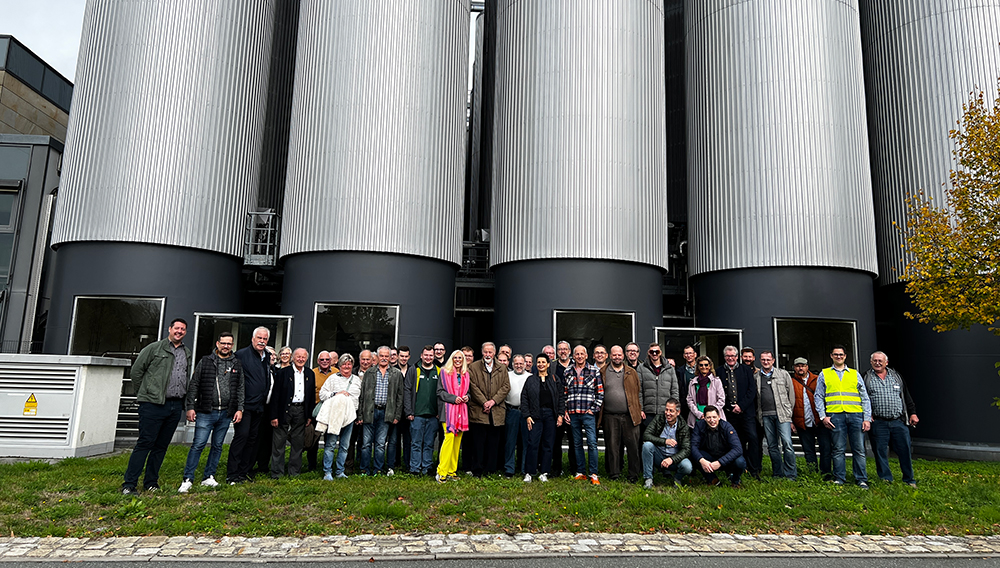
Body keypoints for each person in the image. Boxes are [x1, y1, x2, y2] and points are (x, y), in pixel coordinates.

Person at [121, 318, 191, 494]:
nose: (179, 331)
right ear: (170, 329)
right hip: (152, 405)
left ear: (185, 332)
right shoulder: (154, 348)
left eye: (183, 329)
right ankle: (129, 484)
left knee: (161, 446)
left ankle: (151, 482)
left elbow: (185, 376)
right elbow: (136, 371)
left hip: (175, 406)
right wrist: (145, 394)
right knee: (145, 443)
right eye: (176, 328)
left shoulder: (186, 352)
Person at [179, 332, 243, 492]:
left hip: (226, 413)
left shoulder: (236, 363)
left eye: (229, 343)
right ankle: (188, 478)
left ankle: (209, 476)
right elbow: (194, 384)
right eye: (223, 343)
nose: (226, 346)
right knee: (198, 444)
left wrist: (240, 409)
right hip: (206, 411)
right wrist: (190, 407)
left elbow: (241, 387)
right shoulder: (206, 361)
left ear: (232, 345)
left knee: (217, 446)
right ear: (217, 343)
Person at [814, 344, 872, 488]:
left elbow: (865, 397)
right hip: (835, 415)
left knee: (859, 449)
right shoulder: (824, 374)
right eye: (836, 354)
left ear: (845, 356)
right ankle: (839, 478)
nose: (838, 357)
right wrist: (823, 416)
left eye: (841, 354)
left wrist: (867, 418)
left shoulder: (854, 373)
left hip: (855, 414)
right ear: (831, 356)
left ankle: (861, 479)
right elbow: (818, 396)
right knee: (838, 449)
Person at [864, 351, 919, 487]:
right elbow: (862, 398)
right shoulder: (865, 377)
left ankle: (909, 479)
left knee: (904, 450)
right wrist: (866, 414)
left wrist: (912, 413)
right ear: (871, 362)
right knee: (880, 452)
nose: (877, 363)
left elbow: (906, 396)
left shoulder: (896, 376)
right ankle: (885, 479)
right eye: (875, 360)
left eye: (880, 361)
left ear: (886, 362)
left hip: (898, 421)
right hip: (878, 422)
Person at [229, 326, 274, 484]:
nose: (262, 341)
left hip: (259, 407)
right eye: (259, 338)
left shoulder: (266, 356)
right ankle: (232, 474)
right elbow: (233, 381)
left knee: (253, 440)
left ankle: (244, 471)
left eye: (265, 339)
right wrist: (237, 406)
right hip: (244, 406)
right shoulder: (241, 355)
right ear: (253, 339)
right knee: (242, 437)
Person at [358, 346, 405, 476]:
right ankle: (364, 469)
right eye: (382, 356)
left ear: (390, 358)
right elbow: (362, 395)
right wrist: (360, 414)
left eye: (386, 356)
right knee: (366, 443)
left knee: (380, 444)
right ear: (377, 357)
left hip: (386, 412)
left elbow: (400, 397)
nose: (384, 358)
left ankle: (378, 469)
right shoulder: (370, 373)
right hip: (369, 411)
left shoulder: (396, 374)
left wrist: (397, 415)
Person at [269, 348, 315, 478]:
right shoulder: (283, 373)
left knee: (298, 443)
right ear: (293, 358)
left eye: (303, 357)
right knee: (279, 442)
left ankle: (294, 472)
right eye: (298, 357)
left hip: (301, 411)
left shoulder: (310, 374)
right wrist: (274, 415)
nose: (300, 359)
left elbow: (310, 397)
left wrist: (309, 415)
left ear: (306, 359)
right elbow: (275, 395)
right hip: (284, 410)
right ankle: (277, 473)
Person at [600, 345, 643, 482]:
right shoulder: (603, 371)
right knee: (612, 446)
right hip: (610, 415)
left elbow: (638, 391)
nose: (617, 357)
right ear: (610, 356)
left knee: (633, 446)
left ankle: (633, 475)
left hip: (629, 415)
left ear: (623, 356)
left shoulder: (631, 372)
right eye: (614, 355)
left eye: (619, 355)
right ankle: (614, 473)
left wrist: (639, 409)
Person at [467, 342, 510, 477]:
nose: (488, 354)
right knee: (478, 443)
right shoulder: (473, 367)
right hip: (479, 411)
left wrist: (493, 401)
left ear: (495, 353)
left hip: (496, 411)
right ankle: (477, 470)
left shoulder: (502, 368)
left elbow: (505, 387)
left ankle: (491, 469)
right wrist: (484, 402)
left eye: (490, 352)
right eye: (485, 352)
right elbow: (472, 386)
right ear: (482, 352)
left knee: (494, 442)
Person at [717, 345, 760, 478]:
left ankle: (754, 470)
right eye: (728, 356)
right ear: (725, 357)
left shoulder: (746, 370)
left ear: (737, 357)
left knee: (753, 438)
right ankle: (734, 469)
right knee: (733, 441)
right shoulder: (719, 371)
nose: (730, 358)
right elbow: (719, 392)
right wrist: (730, 407)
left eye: (733, 356)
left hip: (747, 412)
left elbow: (752, 390)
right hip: (729, 414)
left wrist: (741, 406)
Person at [564, 345, 604, 485]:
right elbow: (565, 393)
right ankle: (580, 472)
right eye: (577, 354)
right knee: (577, 443)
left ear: (586, 356)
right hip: (573, 413)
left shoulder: (594, 371)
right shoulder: (568, 371)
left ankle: (593, 473)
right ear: (573, 356)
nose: (579, 356)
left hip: (588, 413)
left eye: (582, 354)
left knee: (592, 443)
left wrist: (593, 410)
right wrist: (565, 410)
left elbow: (600, 393)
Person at [520, 353, 563, 482]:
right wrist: (527, 415)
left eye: (543, 362)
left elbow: (561, 398)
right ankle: (529, 472)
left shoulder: (555, 379)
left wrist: (560, 415)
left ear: (548, 364)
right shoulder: (530, 380)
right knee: (532, 443)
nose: (541, 364)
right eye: (538, 362)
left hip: (550, 415)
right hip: (535, 416)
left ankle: (544, 472)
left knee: (548, 444)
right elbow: (524, 398)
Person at [317, 354, 361, 480]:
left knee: (345, 445)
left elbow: (360, 399)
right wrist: (336, 394)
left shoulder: (357, 380)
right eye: (343, 364)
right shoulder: (332, 379)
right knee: (330, 444)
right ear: (339, 366)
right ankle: (327, 472)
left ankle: (340, 471)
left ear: (352, 366)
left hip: (350, 418)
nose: (346, 366)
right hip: (334, 417)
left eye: (349, 364)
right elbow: (322, 394)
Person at [755, 350, 796, 479]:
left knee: (787, 443)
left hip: (782, 415)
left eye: (768, 359)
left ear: (773, 360)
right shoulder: (756, 377)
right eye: (763, 360)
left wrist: (789, 413)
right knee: (772, 446)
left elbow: (791, 395)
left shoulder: (783, 374)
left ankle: (790, 474)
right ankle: (777, 473)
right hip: (766, 416)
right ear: (760, 361)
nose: (766, 362)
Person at [790, 357, 831, 476]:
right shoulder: (791, 382)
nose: (800, 368)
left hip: (820, 420)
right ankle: (813, 473)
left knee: (826, 448)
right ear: (794, 368)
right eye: (798, 366)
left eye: (802, 365)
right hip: (802, 421)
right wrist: (791, 421)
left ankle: (826, 473)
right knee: (808, 450)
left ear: (807, 367)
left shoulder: (818, 379)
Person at [404, 345, 441, 476]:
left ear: (434, 356)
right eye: (426, 355)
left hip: (433, 415)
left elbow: (442, 393)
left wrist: (440, 412)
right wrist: (408, 411)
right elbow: (407, 390)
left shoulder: (439, 371)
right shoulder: (414, 370)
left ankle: (427, 467)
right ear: (421, 355)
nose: (428, 357)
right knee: (416, 443)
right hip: (416, 414)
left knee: (429, 443)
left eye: (431, 355)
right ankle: (414, 468)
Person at [641, 398, 692, 488]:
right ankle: (648, 478)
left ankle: (677, 479)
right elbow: (646, 435)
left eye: (671, 411)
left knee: (687, 466)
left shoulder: (683, 426)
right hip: (659, 456)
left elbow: (686, 449)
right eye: (666, 410)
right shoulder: (659, 418)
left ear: (678, 412)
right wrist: (664, 442)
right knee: (647, 445)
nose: (668, 413)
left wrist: (671, 459)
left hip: (674, 459)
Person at [691, 406, 745, 487]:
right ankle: (712, 479)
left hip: (726, 458)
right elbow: (693, 446)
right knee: (695, 455)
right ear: (704, 418)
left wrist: (720, 462)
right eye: (708, 417)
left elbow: (738, 449)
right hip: (709, 457)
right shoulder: (699, 426)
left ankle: (735, 481)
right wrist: (702, 461)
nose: (712, 420)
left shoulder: (727, 427)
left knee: (740, 462)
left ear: (719, 417)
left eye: (714, 417)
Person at [437, 350, 470, 482]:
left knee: (457, 441)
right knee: (449, 438)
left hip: (462, 411)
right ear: (452, 359)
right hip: (448, 410)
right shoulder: (444, 372)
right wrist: (452, 398)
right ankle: (442, 471)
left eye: (460, 358)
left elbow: (469, 391)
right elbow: (439, 392)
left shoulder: (466, 374)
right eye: (455, 358)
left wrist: (467, 397)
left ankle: (452, 471)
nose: (457, 360)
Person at [638, 342, 679, 434]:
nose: (655, 354)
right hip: (648, 412)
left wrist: (674, 409)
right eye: (652, 352)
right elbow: (639, 391)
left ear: (661, 352)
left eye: (657, 351)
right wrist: (640, 409)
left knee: (664, 438)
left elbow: (674, 390)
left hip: (665, 411)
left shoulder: (669, 369)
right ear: (648, 353)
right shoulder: (641, 368)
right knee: (647, 439)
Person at [306, 351, 336, 472]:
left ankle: (328, 465)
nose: (324, 362)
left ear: (331, 361)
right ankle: (312, 465)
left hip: (332, 410)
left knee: (331, 438)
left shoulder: (336, 373)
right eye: (322, 360)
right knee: (314, 439)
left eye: (327, 360)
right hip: (316, 410)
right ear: (318, 361)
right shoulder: (312, 373)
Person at [550, 340, 576, 477]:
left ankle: (574, 468)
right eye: (560, 349)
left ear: (570, 351)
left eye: (565, 349)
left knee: (574, 441)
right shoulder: (552, 366)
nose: (563, 351)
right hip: (556, 410)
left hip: (572, 410)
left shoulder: (576, 365)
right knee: (556, 441)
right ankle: (556, 468)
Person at [504, 354, 531, 477]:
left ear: (525, 364)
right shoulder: (507, 376)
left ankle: (525, 468)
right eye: (516, 363)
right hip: (512, 411)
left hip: (526, 413)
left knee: (526, 441)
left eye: (521, 363)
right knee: (510, 441)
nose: (519, 366)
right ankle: (509, 468)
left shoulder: (530, 377)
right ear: (512, 364)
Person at [388, 346, 413, 477]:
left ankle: (408, 465)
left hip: (408, 412)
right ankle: (393, 464)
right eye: (401, 356)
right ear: (397, 356)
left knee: (408, 440)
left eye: (406, 356)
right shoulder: (392, 371)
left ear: (409, 357)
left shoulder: (413, 370)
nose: (403, 359)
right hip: (395, 411)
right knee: (393, 440)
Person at [686, 356, 726, 426]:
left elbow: (721, 400)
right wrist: (698, 414)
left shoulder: (716, 381)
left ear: (710, 366)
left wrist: (711, 414)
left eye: (706, 365)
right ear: (698, 367)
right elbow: (689, 400)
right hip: (697, 416)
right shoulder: (693, 382)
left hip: (713, 418)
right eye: (701, 365)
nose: (704, 367)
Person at [678, 346, 698, 421]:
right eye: (686, 354)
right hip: (685, 405)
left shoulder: (702, 369)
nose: (688, 355)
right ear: (684, 356)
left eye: (690, 353)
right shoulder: (680, 371)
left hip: (700, 404)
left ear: (695, 354)